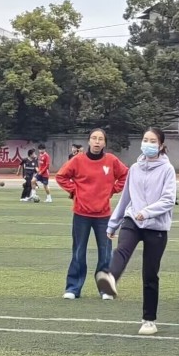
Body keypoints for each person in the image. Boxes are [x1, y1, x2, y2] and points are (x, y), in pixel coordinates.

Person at [96, 128, 177, 335]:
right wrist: (113, 223)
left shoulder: (167, 169)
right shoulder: (135, 168)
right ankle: (110, 277)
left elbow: (168, 200)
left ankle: (149, 320)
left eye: (152, 141)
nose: (148, 144)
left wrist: (148, 212)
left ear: (160, 145)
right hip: (132, 219)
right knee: (122, 249)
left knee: (150, 274)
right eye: (145, 140)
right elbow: (126, 197)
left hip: (156, 226)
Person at [56, 128, 129, 299]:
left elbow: (126, 175)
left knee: (106, 253)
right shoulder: (77, 160)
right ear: (88, 141)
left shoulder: (111, 160)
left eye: (100, 139)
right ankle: (73, 288)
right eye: (94, 138)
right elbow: (61, 176)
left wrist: (112, 189)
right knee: (78, 251)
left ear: (105, 143)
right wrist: (75, 191)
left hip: (103, 215)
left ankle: (105, 289)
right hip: (81, 213)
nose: (97, 141)